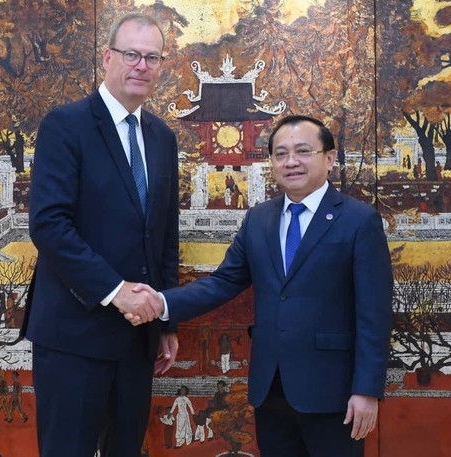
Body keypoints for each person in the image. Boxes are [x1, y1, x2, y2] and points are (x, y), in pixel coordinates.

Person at [128, 115, 393, 457]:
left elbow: (375, 314)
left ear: (329, 158)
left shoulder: (359, 220)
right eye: (280, 154)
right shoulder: (259, 219)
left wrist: (367, 390)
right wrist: (161, 303)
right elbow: (223, 282)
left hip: (334, 393)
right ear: (271, 163)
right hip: (271, 390)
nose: (291, 161)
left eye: (303, 151)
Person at [24, 12, 180, 457]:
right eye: (131, 54)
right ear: (107, 58)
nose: (141, 66)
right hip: (74, 334)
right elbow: (49, 225)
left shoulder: (162, 138)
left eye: (152, 57)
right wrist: (116, 292)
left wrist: (166, 319)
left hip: (138, 338)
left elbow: (165, 235)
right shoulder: (65, 125)